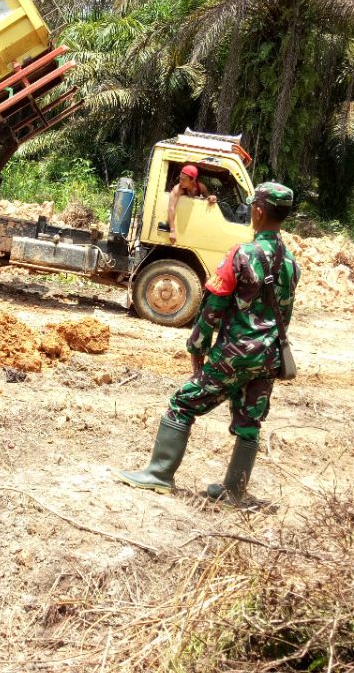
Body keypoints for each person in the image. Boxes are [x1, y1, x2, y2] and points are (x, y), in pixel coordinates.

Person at [117, 182, 299, 505]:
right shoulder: (291, 264)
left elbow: (211, 309)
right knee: (249, 421)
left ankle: (159, 474)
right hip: (269, 356)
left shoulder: (240, 255)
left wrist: (197, 349)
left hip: (234, 355)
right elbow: (284, 312)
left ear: (257, 212)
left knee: (183, 403)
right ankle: (233, 491)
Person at [166, 164, 216, 245]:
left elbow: (208, 197)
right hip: (180, 225)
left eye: (183, 180)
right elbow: (171, 208)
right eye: (180, 178)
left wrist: (212, 198)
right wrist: (172, 230)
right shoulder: (177, 189)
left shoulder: (201, 188)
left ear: (192, 180)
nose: (180, 181)